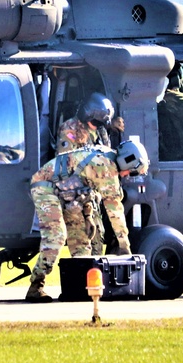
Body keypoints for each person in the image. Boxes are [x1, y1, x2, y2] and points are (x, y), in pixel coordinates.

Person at [25, 139, 150, 303]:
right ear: (127, 161)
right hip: (45, 188)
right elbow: (115, 211)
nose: (128, 176)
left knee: (81, 240)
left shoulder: (106, 157)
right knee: (56, 236)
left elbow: (85, 187)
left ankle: (80, 288)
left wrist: (88, 216)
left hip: (66, 192)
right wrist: (125, 248)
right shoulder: (106, 166)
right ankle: (36, 285)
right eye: (132, 172)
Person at [55, 92, 126, 254]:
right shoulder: (70, 130)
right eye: (96, 122)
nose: (97, 125)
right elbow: (65, 166)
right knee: (82, 251)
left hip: (92, 199)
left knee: (96, 247)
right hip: (74, 199)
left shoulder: (100, 130)